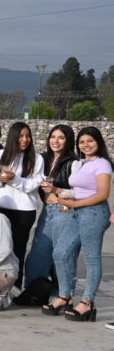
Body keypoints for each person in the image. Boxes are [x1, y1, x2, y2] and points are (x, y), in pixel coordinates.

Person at [50, 127, 112, 322]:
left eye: (90, 141)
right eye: (82, 142)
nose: (86, 145)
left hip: (94, 213)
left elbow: (103, 194)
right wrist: (64, 196)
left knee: (92, 258)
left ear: (99, 142)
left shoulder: (102, 164)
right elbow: (79, 190)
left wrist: (75, 203)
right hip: (77, 212)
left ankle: (87, 303)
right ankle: (65, 296)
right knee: (60, 252)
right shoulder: (83, 163)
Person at [0, 121, 43, 288]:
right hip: (1, 208)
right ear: (13, 138)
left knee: (18, 249)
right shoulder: (0, 155)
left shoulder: (36, 158)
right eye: (21, 136)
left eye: (27, 136)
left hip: (25, 211)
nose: (24, 140)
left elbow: (32, 185)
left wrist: (13, 179)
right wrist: (1, 179)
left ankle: (15, 287)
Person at [22, 124, 77, 296]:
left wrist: (60, 194)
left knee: (63, 255)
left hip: (65, 211)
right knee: (38, 255)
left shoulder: (73, 162)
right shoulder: (42, 159)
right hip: (47, 211)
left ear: (68, 141)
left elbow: (82, 191)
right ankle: (34, 291)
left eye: (61, 137)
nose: (56, 141)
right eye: (53, 137)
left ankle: (62, 294)